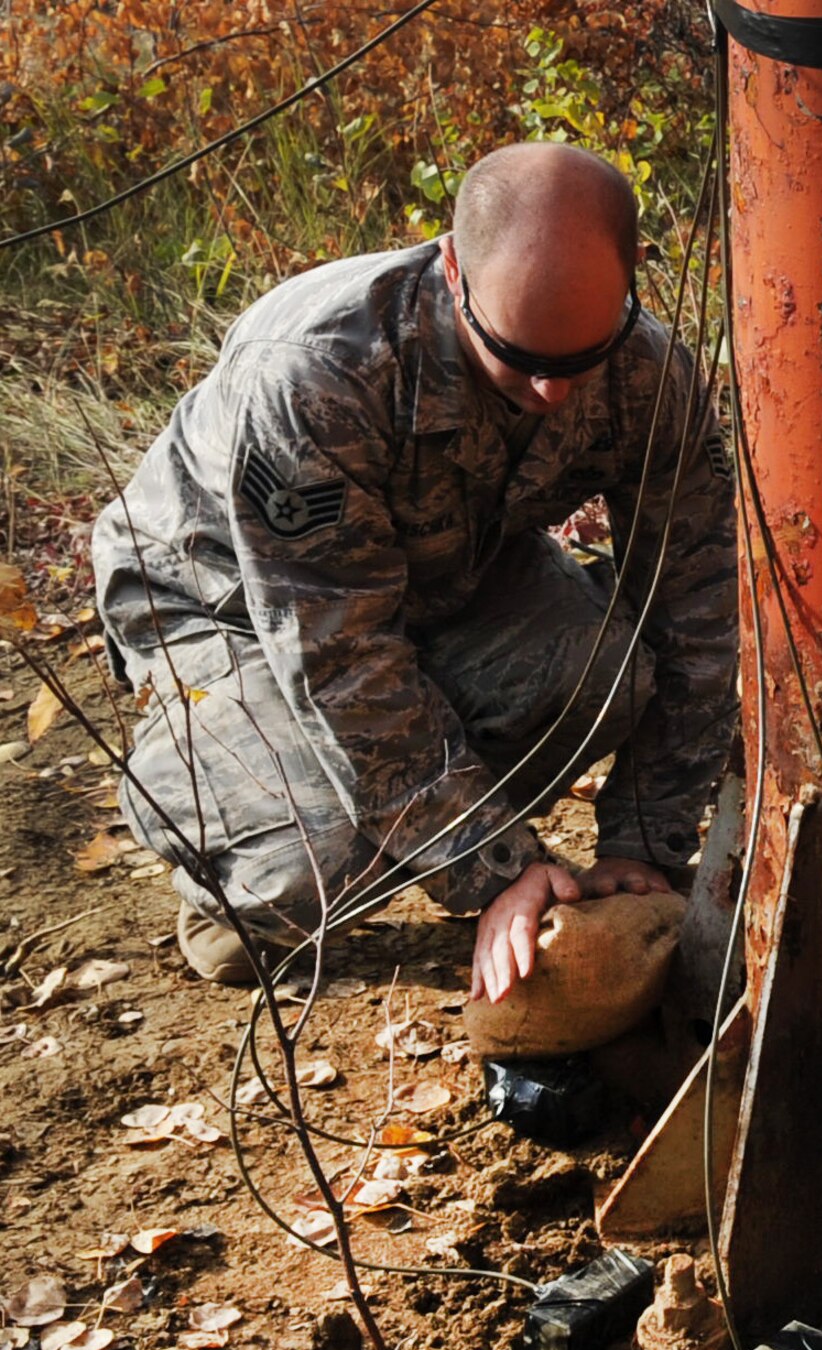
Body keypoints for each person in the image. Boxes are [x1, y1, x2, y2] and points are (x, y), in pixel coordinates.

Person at [91, 142, 736, 1003]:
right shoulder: (318, 374)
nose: (552, 394)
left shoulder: (649, 370)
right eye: (520, 357)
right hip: (224, 607)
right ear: (452, 269)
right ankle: (225, 855)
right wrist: (495, 866)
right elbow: (341, 658)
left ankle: (407, 815)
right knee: (303, 864)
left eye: (580, 361)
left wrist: (642, 849)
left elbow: (695, 608)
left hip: (447, 580)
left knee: (605, 675)